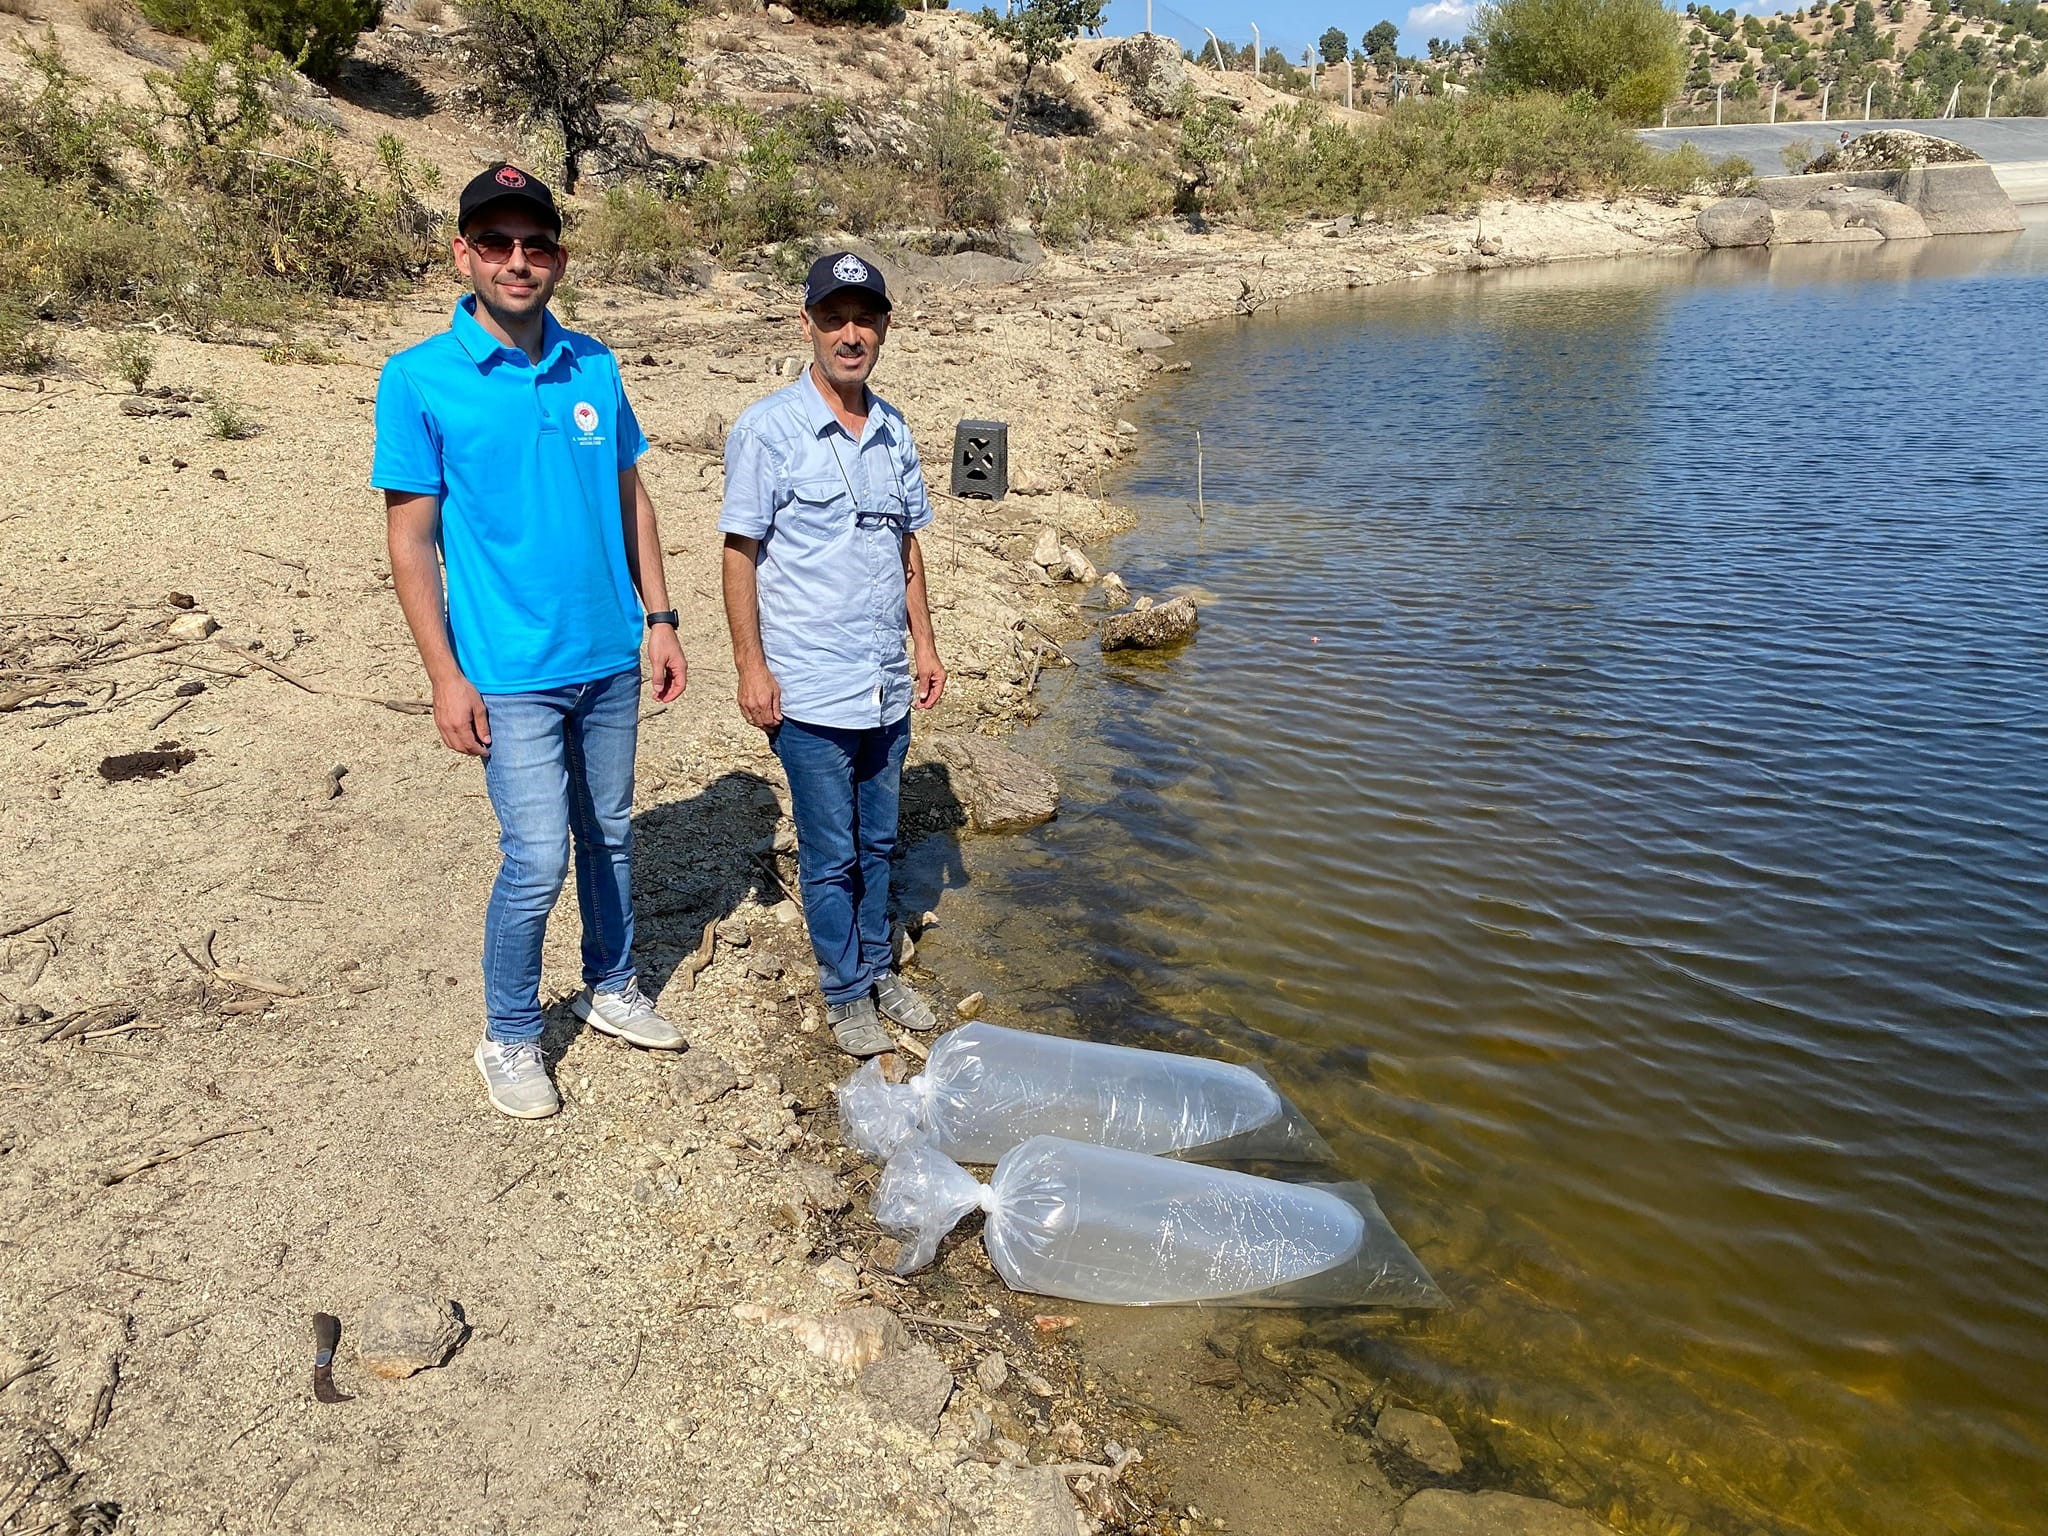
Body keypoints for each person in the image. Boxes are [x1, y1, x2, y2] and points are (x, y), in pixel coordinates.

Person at [371, 164, 690, 1121]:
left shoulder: (594, 363)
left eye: (537, 243)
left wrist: (662, 618)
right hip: (507, 672)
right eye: (498, 242)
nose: (519, 260)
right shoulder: (420, 378)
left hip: (608, 654)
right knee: (538, 853)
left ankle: (613, 984)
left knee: (614, 833)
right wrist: (443, 675)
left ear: (559, 256)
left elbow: (632, 499)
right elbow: (411, 537)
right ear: (463, 252)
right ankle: (508, 1031)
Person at [718, 252, 947, 1058]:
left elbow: (907, 550)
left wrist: (925, 645)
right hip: (811, 687)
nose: (851, 335)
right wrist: (751, 666)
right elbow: (739, 555)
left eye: (865, 318)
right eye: (833, 318)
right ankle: (846, 990)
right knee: (830, 848)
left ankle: (880, 967)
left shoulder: (894, 431)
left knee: (880, 840)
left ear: (883, 326)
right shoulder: (767, 430)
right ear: (808, 325)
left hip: (884, 682)